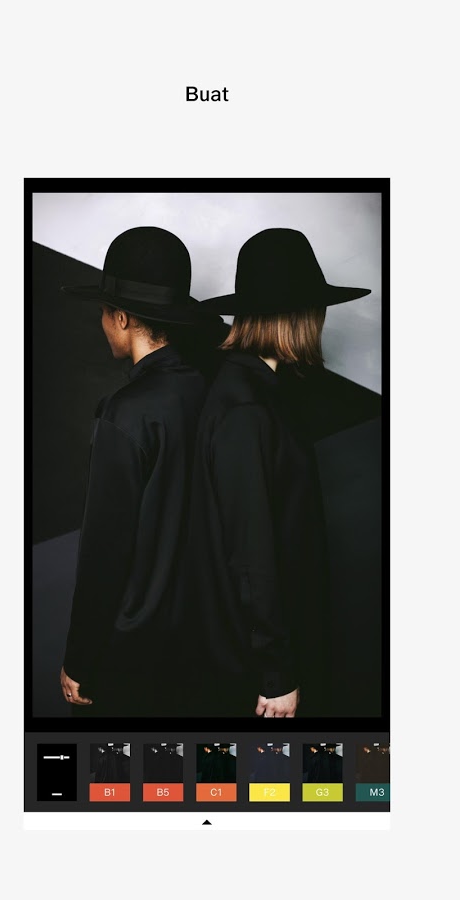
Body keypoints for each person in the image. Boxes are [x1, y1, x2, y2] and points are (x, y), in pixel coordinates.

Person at [183, 228, 371, 717]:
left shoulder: (259, 389)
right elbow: (251, 551)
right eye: (317, 310)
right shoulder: (246, 406)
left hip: (276, 642)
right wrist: (276, 673)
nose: (321, 321)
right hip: (260, 667)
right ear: (301, 316)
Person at [59, 226, 220, 716]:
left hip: (130, 651)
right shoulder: (211, 389)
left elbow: (105, 551)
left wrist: (79, 659)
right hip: (203, 642)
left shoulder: (126, 412)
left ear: (122, 318)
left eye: (104, 313)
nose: (102, 324)